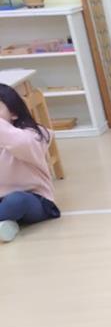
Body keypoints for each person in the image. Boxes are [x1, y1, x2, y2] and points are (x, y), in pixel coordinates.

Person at [0, 84, 60, 243]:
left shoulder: (34, 134)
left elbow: (20, 143)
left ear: (14, 113)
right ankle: (5, 224)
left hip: (34, 200)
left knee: (17, 200)